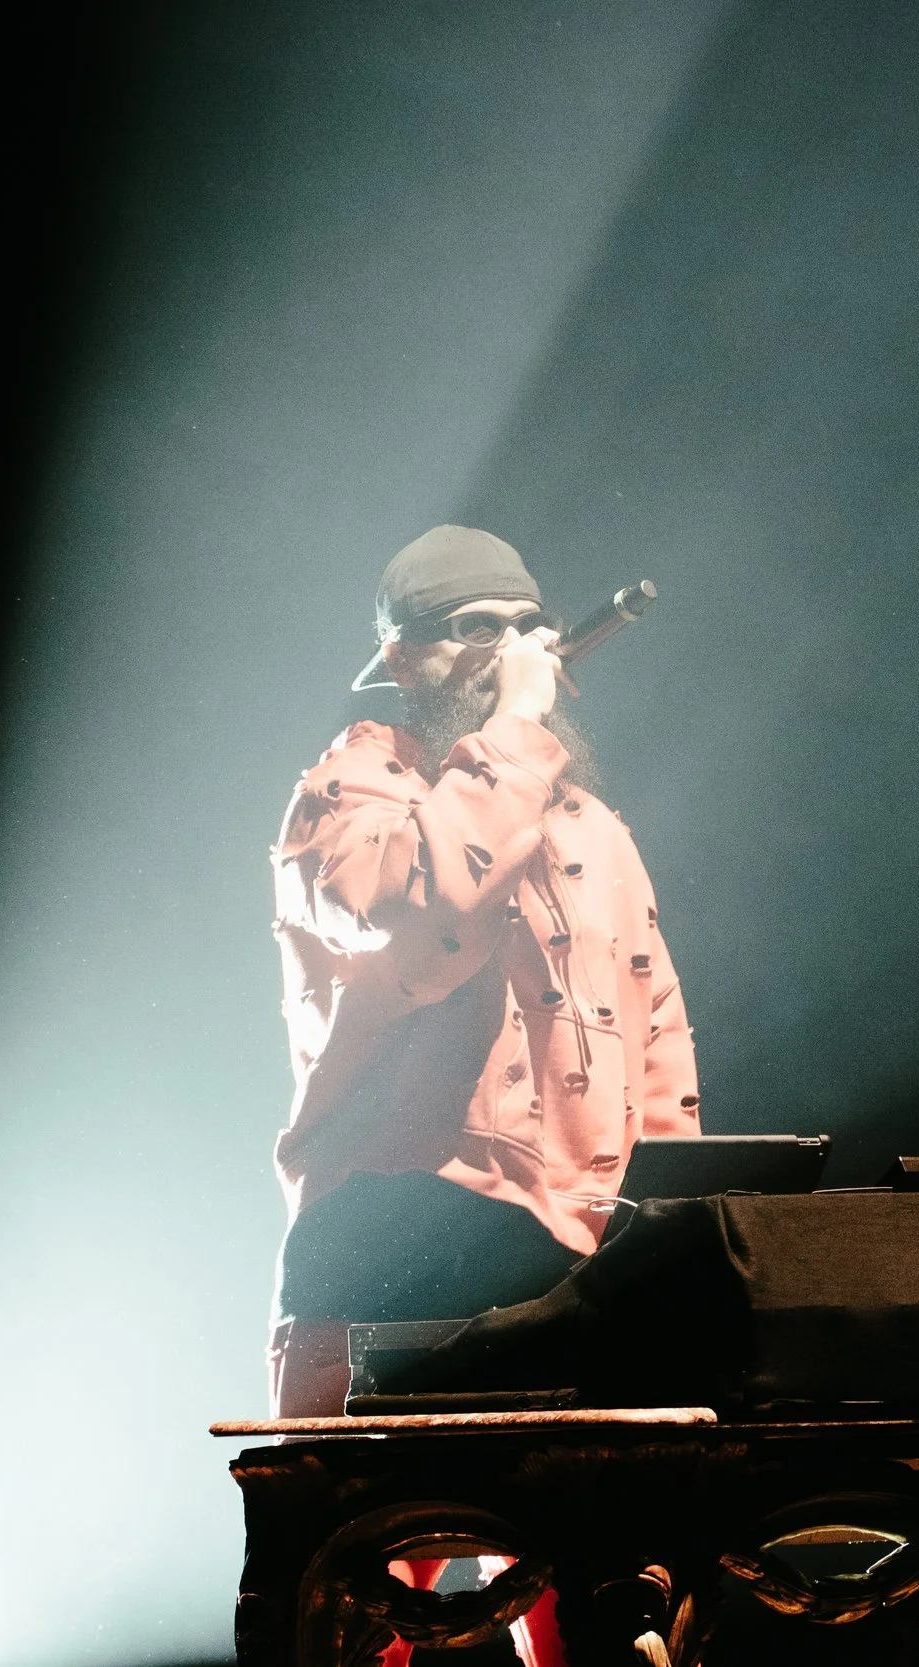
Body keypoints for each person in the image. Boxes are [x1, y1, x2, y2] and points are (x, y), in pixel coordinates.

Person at [266, 525, 701, 1420]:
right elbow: (431, 921)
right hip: (403, 1217)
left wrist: (676, 1217)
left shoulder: (591, 825)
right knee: (379, 1513)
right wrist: (514, 728)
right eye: (474, 628)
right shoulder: (352, 788)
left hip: (575, 1232)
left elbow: (653, 1037)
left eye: (525, 626)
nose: (507, 651)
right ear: (402, 656)